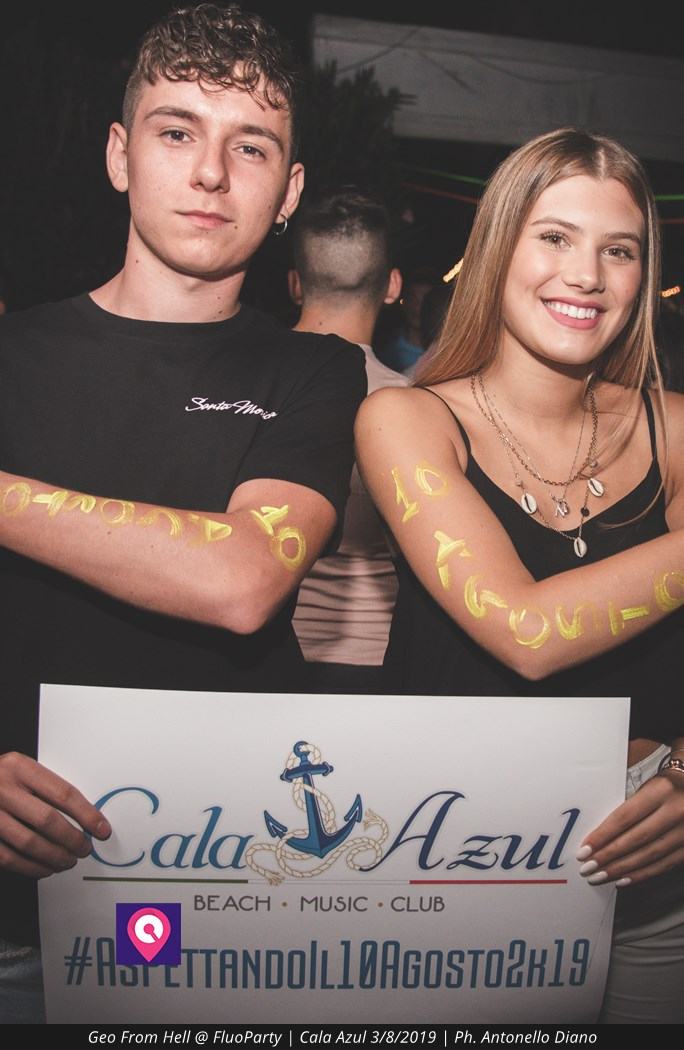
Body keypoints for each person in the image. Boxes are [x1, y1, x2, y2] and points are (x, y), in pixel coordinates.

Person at [0, 2, 366, 1022]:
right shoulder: (10, 358)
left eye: (250, 147)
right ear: (120, 155)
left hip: (230, 895)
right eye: (176, 132)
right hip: (18, 915)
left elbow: (243, 581)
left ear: (290, 190)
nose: (210, 173)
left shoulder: (316, 372)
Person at [355, 127, 684, 1023]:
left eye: (619, 250)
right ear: (498, 248)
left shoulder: (674, 428)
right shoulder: (408, 421)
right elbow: (526, 634)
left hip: (655, 843)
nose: (587, 275)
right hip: (462, 846)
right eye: (555, 237)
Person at [288, 187, 407, 693]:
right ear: (393, 285)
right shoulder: (417, 409)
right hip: (372, 662)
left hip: (260, 656)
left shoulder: (239, 391)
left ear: (296, 284)